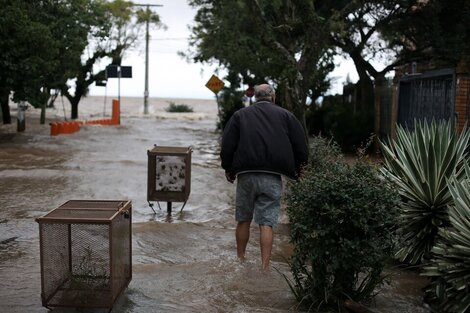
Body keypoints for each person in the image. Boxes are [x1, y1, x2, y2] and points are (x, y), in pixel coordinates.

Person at [220, 83, 309, 272]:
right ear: (274, 97)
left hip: (246, 175)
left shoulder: (240, 115)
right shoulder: (286, 116)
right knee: (266, 222)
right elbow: (301, 145)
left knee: (243, 219)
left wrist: (228, 169)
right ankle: (265, 267)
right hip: (272, 176)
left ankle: (241, 260)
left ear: (255, 97)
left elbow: (227, 145)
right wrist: (301, 168)